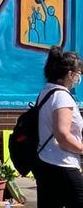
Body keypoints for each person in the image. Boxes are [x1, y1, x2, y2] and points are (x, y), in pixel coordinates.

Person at [32, 46, 83, 208]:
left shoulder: (47, 91)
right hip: (63, 163)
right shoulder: (63, 97)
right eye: (79, 72)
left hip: (45, 161)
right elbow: (62, 135)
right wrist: (82, 148)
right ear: (69, 74)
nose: (79, 76)